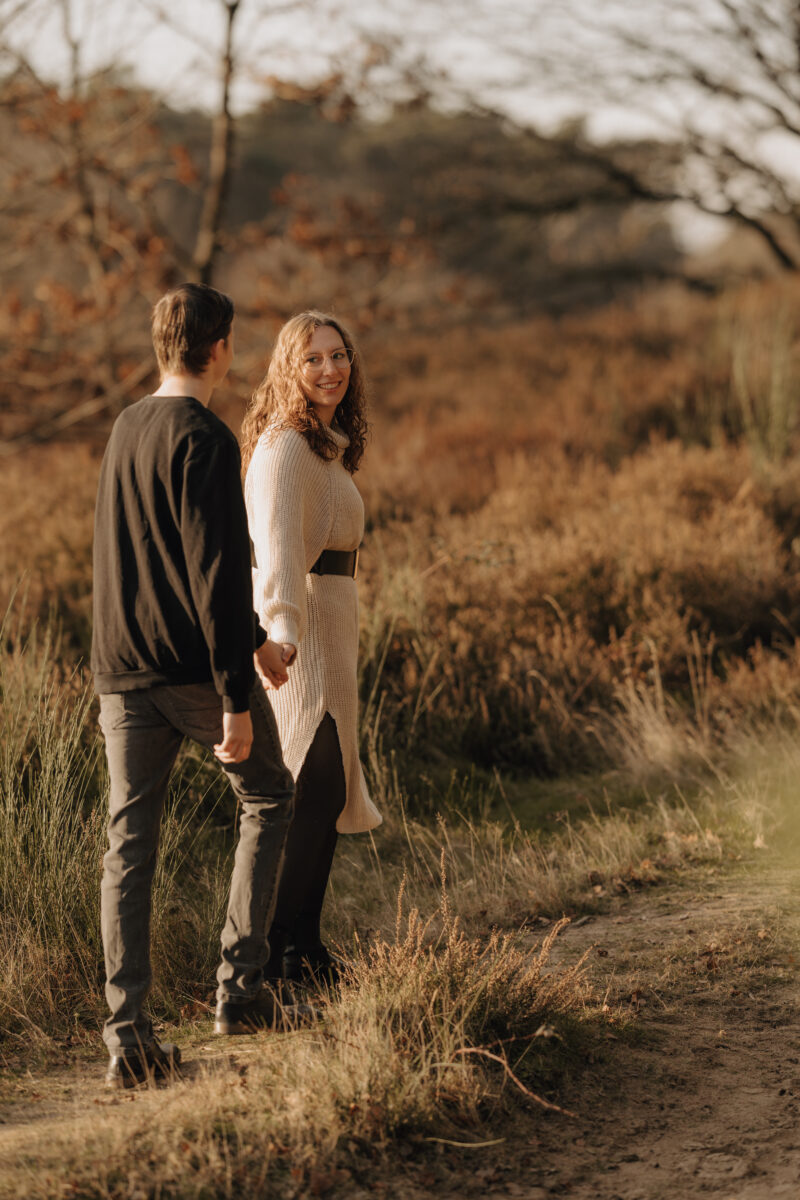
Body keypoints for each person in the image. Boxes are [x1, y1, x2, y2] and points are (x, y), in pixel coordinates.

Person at [91, 283, 310, 1090]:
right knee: (268, 796)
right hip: (190, 676)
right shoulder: (208, 438)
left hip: (119, 672)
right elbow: (215, 577)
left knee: (128, 849)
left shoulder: (126, 427)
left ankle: (128, 1041)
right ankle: (240, 993)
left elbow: (156, 562)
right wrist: (236, 697)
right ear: (220, 347)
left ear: (162, 346)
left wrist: (260, 647)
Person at [240, 311, 382, 987]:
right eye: (312, 360)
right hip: (298, 637)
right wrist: (281, 632)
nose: (330, 369)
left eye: (338, 355)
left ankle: (305, 946)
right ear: (288, 371)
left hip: (334, 625)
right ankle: (269, 955)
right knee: (309, 785)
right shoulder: (285, 448)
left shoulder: (326, 442)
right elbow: (274, 552)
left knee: (326, 791)